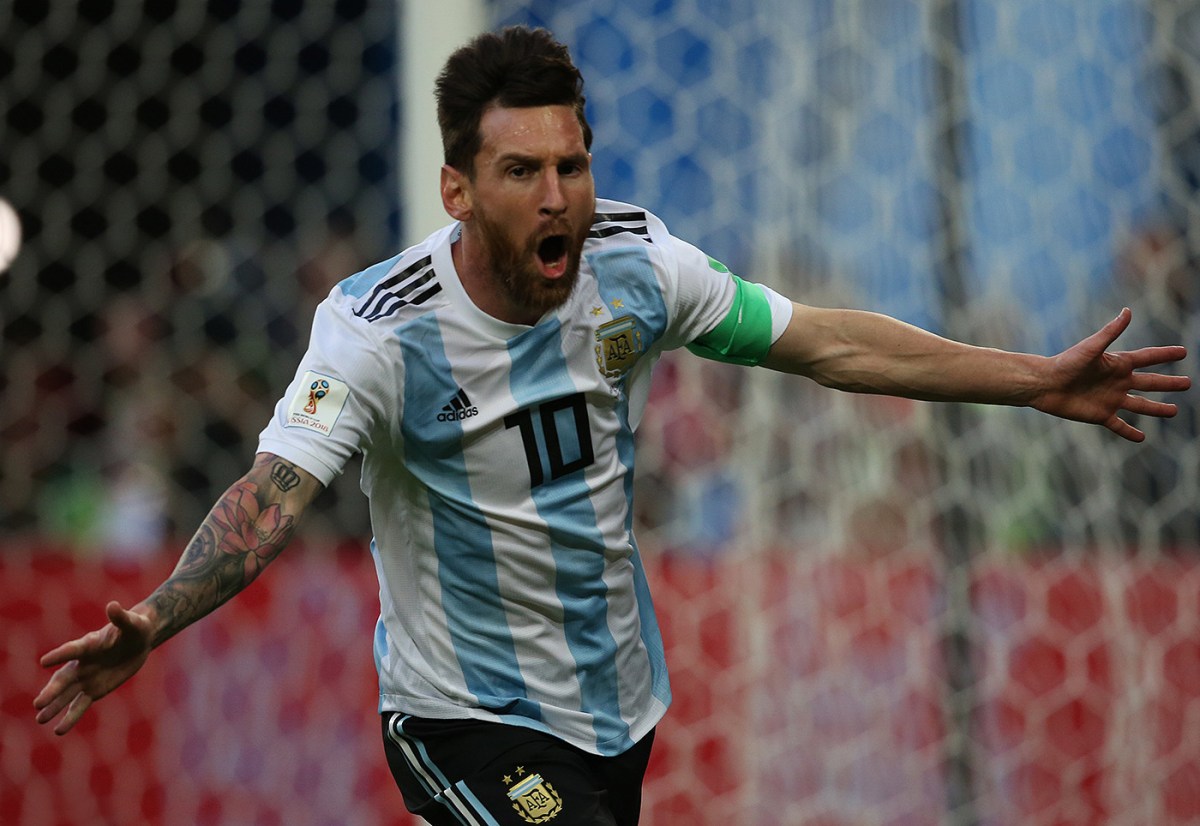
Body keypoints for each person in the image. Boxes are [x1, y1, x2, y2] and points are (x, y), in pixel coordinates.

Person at [34, 25, 1191, 826]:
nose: (559, 199)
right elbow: (270, 497)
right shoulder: (376, 330)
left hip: (618, 705)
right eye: (524, 171)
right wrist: (156, 616)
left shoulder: (637, 266)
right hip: (460, 713)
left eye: (574, 165)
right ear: (457, 190)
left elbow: (828, 342)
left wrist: (1030, 377)